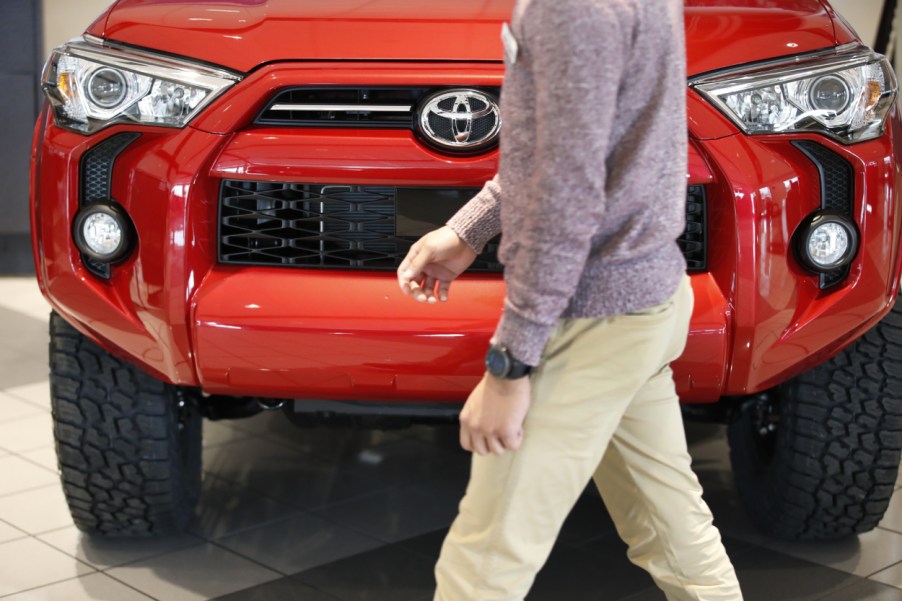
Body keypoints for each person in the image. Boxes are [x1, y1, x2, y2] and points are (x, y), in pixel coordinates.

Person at [397, 0, 744, 599]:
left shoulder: (571, 8)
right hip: (648, 299)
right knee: (671, 530)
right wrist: (470, 230)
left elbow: (564, 195)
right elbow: (579, 148)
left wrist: (510, 365)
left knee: (483, 566)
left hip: (593, 320)